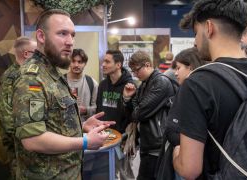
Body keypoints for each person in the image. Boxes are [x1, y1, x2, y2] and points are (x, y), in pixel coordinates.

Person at [12, 9, 114, 179]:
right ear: (41, 37)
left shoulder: (52, 75)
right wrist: (85, 141)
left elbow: (51, 123)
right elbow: (33, 139)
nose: (70, 42)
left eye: (72, 35)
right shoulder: (32, 79)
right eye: (62, 34)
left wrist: (80, 126)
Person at [172, 0, 247, 179]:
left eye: (196, 33)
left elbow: (190, 169)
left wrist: (176, 153)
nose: (195, 42)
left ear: (209, 27)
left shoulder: (198, 83)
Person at [123, 51, 175, 180]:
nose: (135, 74)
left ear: (147, 64)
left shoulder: (161, 82)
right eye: (133, 71)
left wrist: (135, 104)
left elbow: (139, 114)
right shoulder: (145, 83)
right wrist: (129, 98)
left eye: (136, 70)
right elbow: (133, 112)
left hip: (157, 147)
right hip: (148, 144)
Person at [156, 47, 205, 180]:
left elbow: (175, 131)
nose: (176, 73)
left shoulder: (189, 91)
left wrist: (178, 145)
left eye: (178, 68)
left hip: (186, 161)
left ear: (191, 67)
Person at [0, 36, 37, 179]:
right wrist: (26, 139)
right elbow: (5, 116)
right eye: (36, 53)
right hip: (18, 146)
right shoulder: (12, 77)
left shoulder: (25, 75)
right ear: (27, 54)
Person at [95, 49, 134, 179]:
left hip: (122, 139)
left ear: (118, 65)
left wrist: (127, 99)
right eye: (103, 61)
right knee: (106, 174)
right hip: (104, 137)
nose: (103, 65)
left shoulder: (130, 86)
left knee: (124, 174)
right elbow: (98, 110)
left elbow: (132, 114)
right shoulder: (102, 85)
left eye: (107, 61)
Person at [65, 48, 98, 122]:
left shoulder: (92, 83)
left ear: (85, 63)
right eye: (73, 61)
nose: (76, 65)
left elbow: (96, 108)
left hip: (86, 129)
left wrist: (85, 110)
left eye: (80, 62)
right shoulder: (60, 81)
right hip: (64, 129)